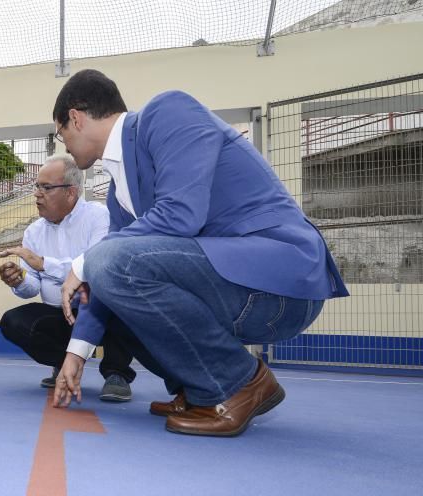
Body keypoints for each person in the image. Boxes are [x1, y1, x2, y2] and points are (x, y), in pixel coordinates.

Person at [51, 69, 349, 436]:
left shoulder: (167, 111)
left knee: (109, 261)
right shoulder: (118, 194)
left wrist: (83, 262)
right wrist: (75, 355)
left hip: (279, 281)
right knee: (114, 279)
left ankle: (237, 383)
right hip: (228, 284)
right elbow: (106, 283)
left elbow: (180, 216)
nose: (62, 141)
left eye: (60, 132)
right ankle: (200, 389)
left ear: (75, 117)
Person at [0, 154, 136, 402]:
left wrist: (42, 263)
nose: (37, 194)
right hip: (60, 314)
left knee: (116, 301)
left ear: (71, 193)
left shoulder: (99, 217)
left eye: (46, 187)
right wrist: (18, 280)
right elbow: (32, 288)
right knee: (12, 322)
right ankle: (64, 364)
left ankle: (117, 373)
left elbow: (95, 268)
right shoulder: (34, 231)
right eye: (36, 186)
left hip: (98, 311)